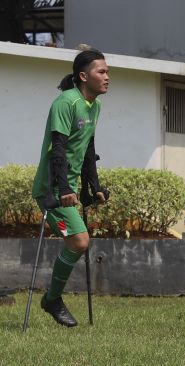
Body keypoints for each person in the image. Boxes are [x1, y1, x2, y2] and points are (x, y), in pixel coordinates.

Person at [32, 49, 110, 327]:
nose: (107, 77)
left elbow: (87, 148)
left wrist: (93, 187)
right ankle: (52, 299)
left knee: (78, 242)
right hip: (51, 190)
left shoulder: (95, 106)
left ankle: (52, 298)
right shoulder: (65, 102)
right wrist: (63, 188)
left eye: (107, 72)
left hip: (70, 188)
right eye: (101, 72)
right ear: (82, 76)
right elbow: (59, 149)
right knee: (79, 241)